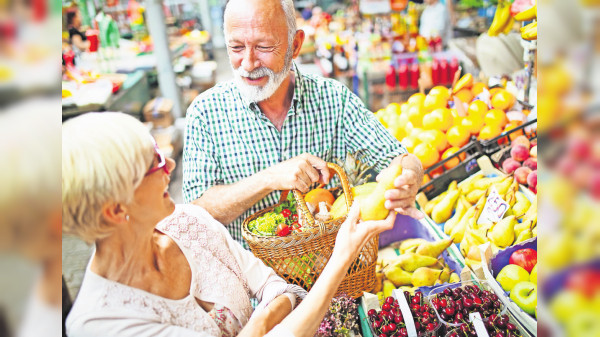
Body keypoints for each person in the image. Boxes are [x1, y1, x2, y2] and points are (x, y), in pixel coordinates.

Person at [63, 112, 395, 337]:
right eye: (155, 163)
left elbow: (280, 289)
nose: (171, 165)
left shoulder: (188, 222)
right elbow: (276, 300)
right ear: (116, 209)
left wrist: (261, 320)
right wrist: (341, 256)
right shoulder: (100, 324)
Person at [183, 0, 424, 247]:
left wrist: (410, 178)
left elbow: (402, 159)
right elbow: (196, 214)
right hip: (247, 281)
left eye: (264, 46)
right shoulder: (205, 113)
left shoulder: (333, 99)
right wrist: (268, 179)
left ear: (295, 45)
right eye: (235, 47)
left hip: (332, 275)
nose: (248, 63)